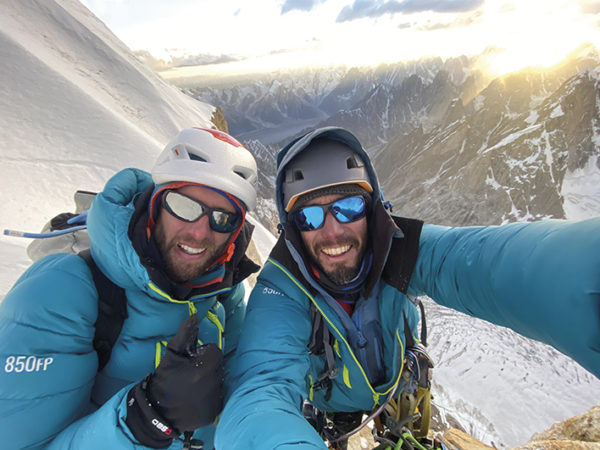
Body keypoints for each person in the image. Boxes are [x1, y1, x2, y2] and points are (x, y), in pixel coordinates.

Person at [214, 126, 600, 449]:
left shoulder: (398, 247)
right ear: (292, 228)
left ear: (373, 209)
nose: (332, 231)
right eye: (310, 216)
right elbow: (259, 391)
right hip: (331, 404)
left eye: (348, 208)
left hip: (398, 382)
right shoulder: (282, 289)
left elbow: (489, 264)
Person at [0, 127, 260, 449]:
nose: (199, 232)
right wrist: (145, 418)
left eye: (223, 218)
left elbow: (245, 391)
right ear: (155, 204)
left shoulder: (223, 294)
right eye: (185, 206)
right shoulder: (60, 293)